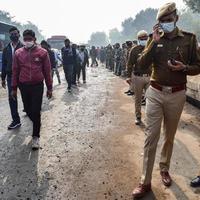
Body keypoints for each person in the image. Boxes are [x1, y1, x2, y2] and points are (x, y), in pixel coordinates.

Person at [132, 2, 200, 198]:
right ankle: (144, 182)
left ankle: (164, 168)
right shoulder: (155, 40)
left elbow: (198, 66)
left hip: (177, 95)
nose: (166, 24)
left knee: (169, 136)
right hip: (155, 92)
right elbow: (142, 64)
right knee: (150, 137)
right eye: (162, 22)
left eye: (169, 20)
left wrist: (184, 68)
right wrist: (153, 42)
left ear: (176, 18)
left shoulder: (189, 39)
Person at [11, 29, 52, 150]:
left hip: (37, 86)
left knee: (36, 110)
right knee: (28, 110)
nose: (27, 41)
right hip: (24, 86)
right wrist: (13, 88)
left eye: (30, 39)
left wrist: (49, 87)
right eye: (25, 39)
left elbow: (47, 71)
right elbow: (15, 71)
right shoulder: (18, 53)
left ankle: (36, 137)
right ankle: (37, 122)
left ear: (34, 39)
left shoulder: (43, 53)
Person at [1, 27, 23, 130]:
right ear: (9, 36)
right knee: (12, 97)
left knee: (26, 96)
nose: (13, 35)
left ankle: (30, 111)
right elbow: (4, 65)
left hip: (24, 76)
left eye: (15, 33)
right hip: (11, 76)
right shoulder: (6, 49)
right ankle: (16, 120)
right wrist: (3, 78)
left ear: (19, 34)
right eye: (11, 34)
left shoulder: (24, 47)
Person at [127, 30, 150, 125]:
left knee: (150, 99)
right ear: (138, 39)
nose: (144, 40)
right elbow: (129, 64)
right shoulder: (134, 50)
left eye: (145, 38)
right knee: (138, 99)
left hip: (150, 77)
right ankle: (138, 117)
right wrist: (129, 76)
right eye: (141, 39)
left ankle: (149, 118)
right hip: (138, 77)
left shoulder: (151, 48)